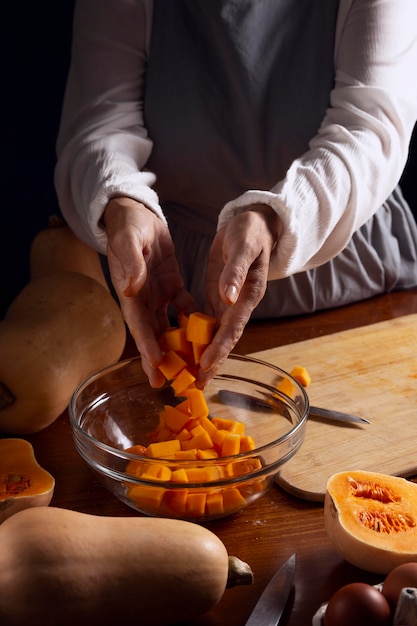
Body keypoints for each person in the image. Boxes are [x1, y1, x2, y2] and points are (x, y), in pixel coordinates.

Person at [55, 0, 417, 389]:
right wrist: (122, 203)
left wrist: (274, 215)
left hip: (350, 282)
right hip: (165, 285)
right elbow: (100, 123)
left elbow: (370, 129)